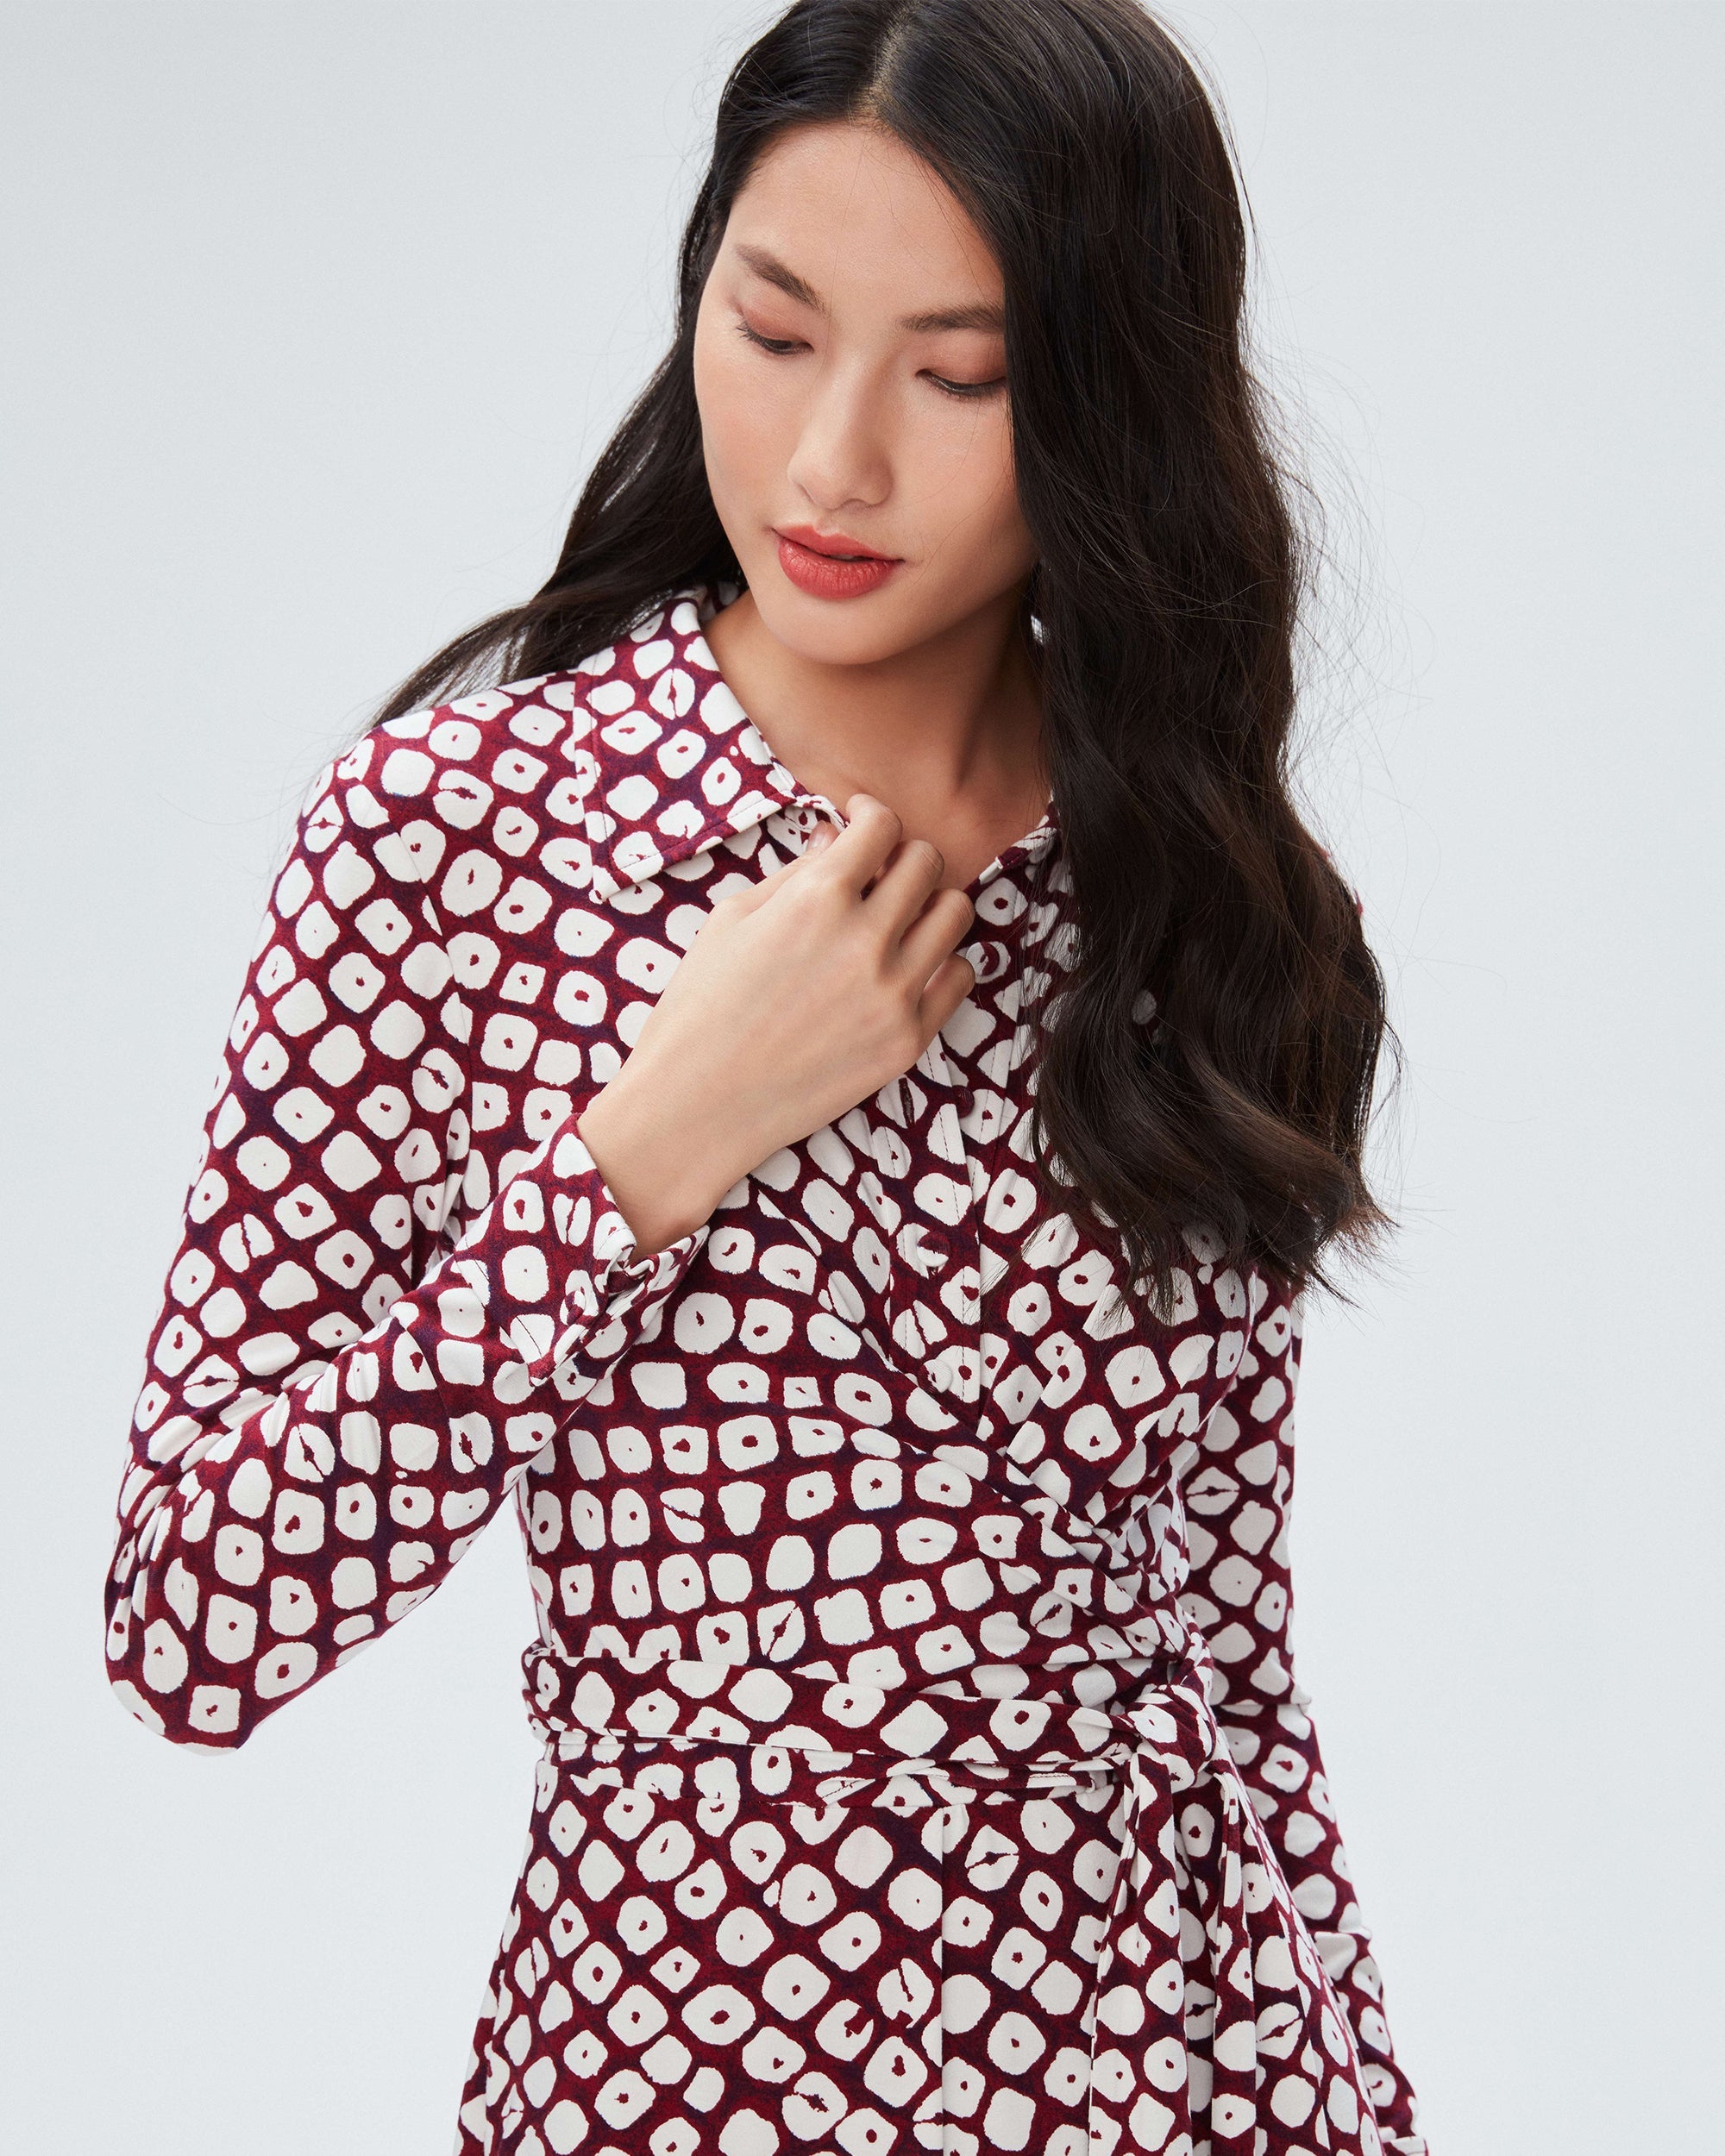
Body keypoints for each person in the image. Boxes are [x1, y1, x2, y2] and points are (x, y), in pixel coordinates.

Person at [103, 3, 1427, 2150]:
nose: (831, 463)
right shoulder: (457, 843)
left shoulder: (1208, 890)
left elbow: (1232, 1676)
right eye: (774, 329)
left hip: (1192, 2077)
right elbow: (193, 1611)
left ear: (1109, 398)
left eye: (959, 376)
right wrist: (643, 1152)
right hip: (697, 2072)